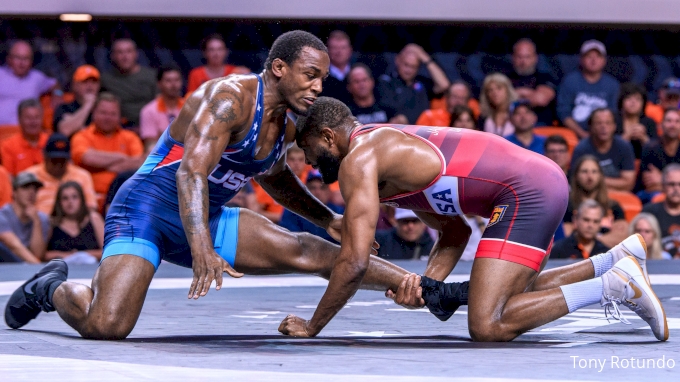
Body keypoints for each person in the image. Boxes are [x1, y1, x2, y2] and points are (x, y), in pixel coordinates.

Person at [5, 31, 417, 340]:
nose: (318, 87)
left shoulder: (286, 124)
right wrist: (200, 246)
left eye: (322, 79)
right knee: (107, 325)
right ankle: (50, 287)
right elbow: (190, 172)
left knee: (307, 250)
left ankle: (416, 286)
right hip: (146, 210)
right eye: (310, 76)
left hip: (208, 215)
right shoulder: (229, 99)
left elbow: (275, 177)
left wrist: (327, 218)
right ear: (279, 68)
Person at [294, 96, 667, 342]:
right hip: (535, 182)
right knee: (509, 293)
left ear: (328, 136)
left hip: (525, 191)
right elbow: (454, 230)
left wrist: (313, 327)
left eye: (308, 151)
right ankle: (612, 262)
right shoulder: (385, 155)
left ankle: (613, 286)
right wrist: (426, 284)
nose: (309, 164)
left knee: (488, 322)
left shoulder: (359, 159)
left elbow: (354, 260)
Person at [70, 93, 145, 195]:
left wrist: (101, 164)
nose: (108, 118)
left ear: (119, 116)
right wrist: (121, 157)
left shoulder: (130, 137)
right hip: (89, 196)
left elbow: (138, 163)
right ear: (94, 113)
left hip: (124, 196)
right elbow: (87, 158)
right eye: (103, 113)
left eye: (113, 114)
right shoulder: (81, 136)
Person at [557, 40, 620, 138]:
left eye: (598, 56)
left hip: (603, 135)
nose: (593, 60)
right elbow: (563, 112)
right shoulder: (570, 81)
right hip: (573, 134)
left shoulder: (612, 84)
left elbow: (614, 114)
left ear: (604, 60)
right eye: (589, 56)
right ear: (581, 59)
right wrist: (581, 133)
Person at [563, 155, 628, 248]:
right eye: (584, 171)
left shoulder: (614, 207)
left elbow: (621, 239)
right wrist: (602, 239)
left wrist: (589, 241)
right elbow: (566, 239)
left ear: (601, 176)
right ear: (576, 175)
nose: (590, 177)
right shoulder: (567, 206)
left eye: (594, 172)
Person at [24, 133, 97, 215]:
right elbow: (23, 209)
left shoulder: (83, 176)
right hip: (40, 223)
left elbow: (91, 208)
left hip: (74, 223)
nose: (58, 165)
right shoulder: (30, 176)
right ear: (44, 157)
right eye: (54, 161)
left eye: (62, 161)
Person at [377, 43, 450, 124]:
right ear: (397, 60)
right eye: (406, 65)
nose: (409, 70)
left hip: (422, 130)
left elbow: (444, 85)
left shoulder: (422, 82)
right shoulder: (386, 81)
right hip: (397, 130)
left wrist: (424, 57)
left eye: (413, 67)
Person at [570, 108, 636, 192]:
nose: (603, 127)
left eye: (608, 123)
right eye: (598, 123)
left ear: (614, 126)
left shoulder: (624, 146)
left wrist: (596, 180)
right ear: (591, 127)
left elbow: (629, 183)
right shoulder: (581, 149)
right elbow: (577, 182)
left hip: (618, 196)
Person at [100, 38, 157, 127]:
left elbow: (161, 104)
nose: (125, 56)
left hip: (149, 127)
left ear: (136, 54)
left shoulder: (152, 76)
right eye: (120, 52)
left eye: (129, 51)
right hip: (117, 128)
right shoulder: (105, 79)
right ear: (113, 56)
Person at [0, 40, 58, 126]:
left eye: (26, 58)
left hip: (27, 132)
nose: (21, 63)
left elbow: (56, 85)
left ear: (31, 61)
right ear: (9, 59)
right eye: (17, 58)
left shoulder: (37, 77)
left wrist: (58, 95)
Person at [45, 182, 104, 264]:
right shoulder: (52, 222)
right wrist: (67, 255)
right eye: (65, 198)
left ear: (82, 199)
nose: (70, 202)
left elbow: (108, 251)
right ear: (59, 202)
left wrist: (82, 255)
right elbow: (42, 254)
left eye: (75, 197)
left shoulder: (94, 218)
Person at [279, 170, 344, 243]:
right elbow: (289, 238)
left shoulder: (340, 212)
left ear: (329, 191)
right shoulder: (293, 211)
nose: (317, 192)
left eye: (322, 188)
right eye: (313, 188)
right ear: (305, 190)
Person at [507, 38, 558, 126]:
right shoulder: (505, 79)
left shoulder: (545, 78)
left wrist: (515, 94)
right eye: (519, 57)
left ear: (535, 58)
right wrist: (531, 94)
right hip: (510, 127)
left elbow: (541, 99)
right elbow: (499, 101)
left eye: (527, 57)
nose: (523, 61)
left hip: (541, 127)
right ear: (513, 58)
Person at [0, 172, 48, 263]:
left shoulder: (42, 218)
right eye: (25, 188)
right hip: (5, 266)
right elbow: (13, 245)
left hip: (30, 267)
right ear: (14, 192)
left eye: (35, 189)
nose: (31, 192)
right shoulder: (2, 214)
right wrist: (38, 267)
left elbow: (38, 254)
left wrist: (36, 222)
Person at [140, 64, 185, 151]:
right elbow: (150, 145)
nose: (173, 85)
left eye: (177, 80)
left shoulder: (191, 108)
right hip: (161, 158)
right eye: (168, 81)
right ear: (159, 84)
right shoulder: (148, 111)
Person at [639, 109, 680, 200]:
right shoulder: (650, 148)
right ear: (661, 125)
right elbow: (650, 185)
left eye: (677, 121)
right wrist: (676, 185)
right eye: (669, 121)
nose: (673, 125)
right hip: (649, 194)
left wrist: (661, 178)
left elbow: (657, 183)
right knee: (657, 197)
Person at [0, 99, 49, 176]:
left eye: (37, 117)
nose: (33, 122)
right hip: (20, 186)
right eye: (28, 118)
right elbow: (9, 177)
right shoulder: (8, 146)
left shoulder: (50, 141)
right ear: (19, 119)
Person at [642, 163, 680, 258]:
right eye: (671, 184)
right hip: (657, 265)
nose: (676, 189)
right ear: (663, 186)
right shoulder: (649, 212)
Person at [53, 65, 100, 137]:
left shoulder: (103, 108)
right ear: (75, 85)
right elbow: (65, 130)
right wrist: (88, 105)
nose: (90, 86)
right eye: (85, 82)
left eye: (94, 82)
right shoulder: (64, 108)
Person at [615, 82, 657, 159]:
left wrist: (644, 138)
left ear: (643, 104)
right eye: (628, 98)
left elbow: (657, 152)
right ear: (621, 101)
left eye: (638, 99)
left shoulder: (649, 123)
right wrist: (627, 136)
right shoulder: (613, 120)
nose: (633, 102)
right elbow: (608, 148)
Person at [321, 30, 353, 105]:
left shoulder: (359, 75)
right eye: (334, 48)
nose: (339, 52)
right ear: (327, 50)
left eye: (343, 48)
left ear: (350, 50)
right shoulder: (321, 77)